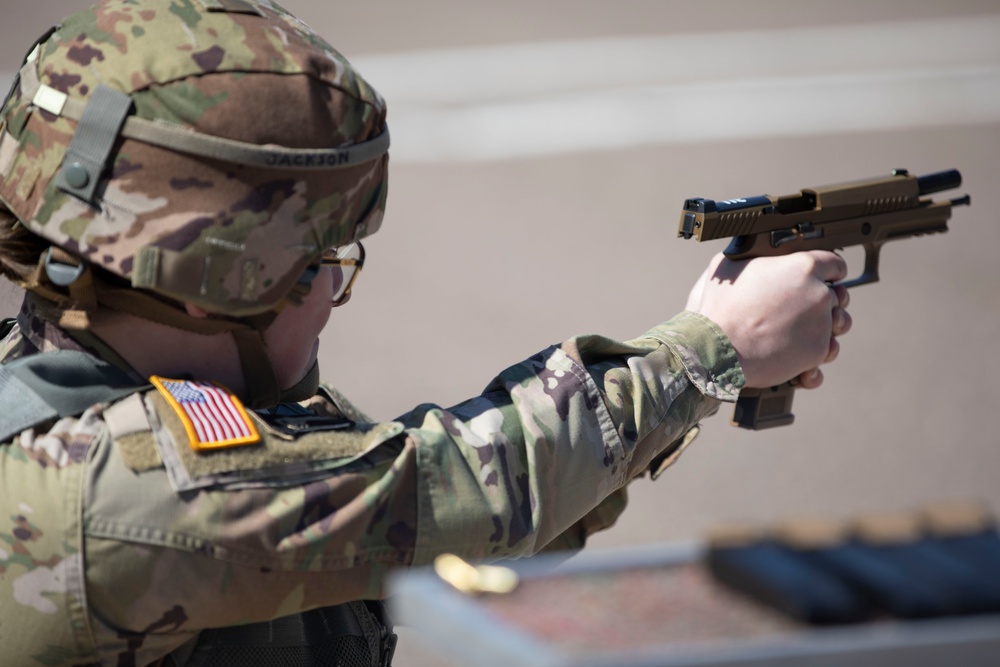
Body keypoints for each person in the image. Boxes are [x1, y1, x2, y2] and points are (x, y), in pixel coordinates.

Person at [0, 1, 851, 665]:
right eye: (325, 256)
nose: (335, 289)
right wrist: (708, 350)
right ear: (216, 282)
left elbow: (439, 536)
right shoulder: (112, 495)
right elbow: (450, 491)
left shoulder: (90, 393)